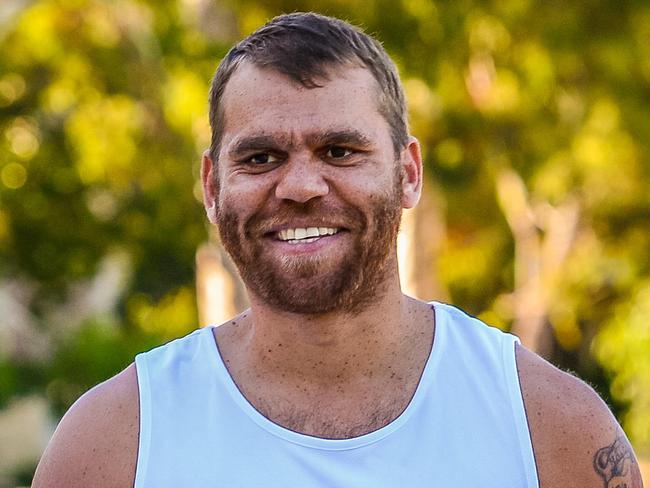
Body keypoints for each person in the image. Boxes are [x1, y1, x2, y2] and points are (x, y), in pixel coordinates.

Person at [33, 12, 643, 488]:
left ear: (408, 173)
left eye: (340, 151)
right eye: (260, 157)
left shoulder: (553, 429)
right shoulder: (115, 444)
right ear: (213, 186)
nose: (300, 187)